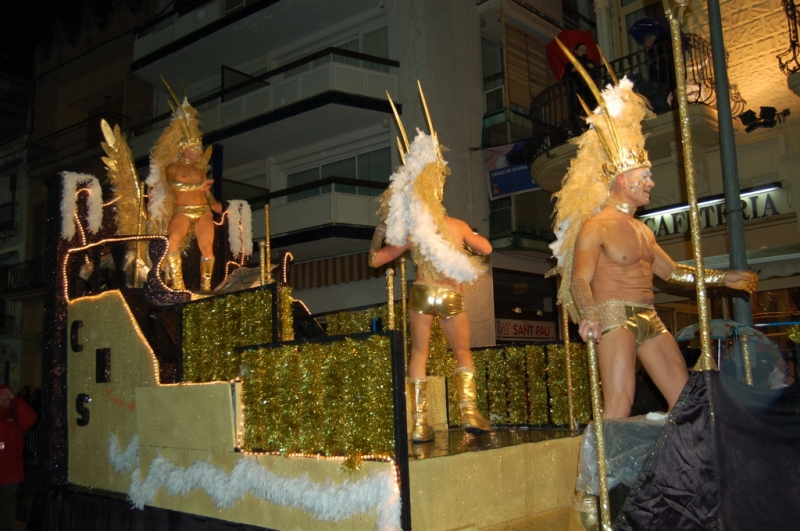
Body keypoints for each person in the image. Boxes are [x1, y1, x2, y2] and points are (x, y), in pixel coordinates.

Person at [548, 42, 758, 419]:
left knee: (686, 403)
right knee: (619, 404)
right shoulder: (597, 226)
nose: (650, 183)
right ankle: (605, 477)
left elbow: (672, 271)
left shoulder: (643, 231)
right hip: (614, 314)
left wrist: (724, 278)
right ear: (621, 180)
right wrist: (591, 314)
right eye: (644, 177)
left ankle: (682, 470)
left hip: (650, 315)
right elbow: (580, 278)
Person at [370, 84, 492, 443]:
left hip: (423, 293)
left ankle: (419, 423)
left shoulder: (413, 232)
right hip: (451, 295)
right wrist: (471, 244)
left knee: (419, 352)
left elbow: (377, 260)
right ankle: (469, 410)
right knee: (462, 352)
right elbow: (486, 248)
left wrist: (381, 231)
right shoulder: (456, 225)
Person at [147, 78, 222, 292]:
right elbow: (174, 185)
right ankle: (178, 283)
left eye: (200, 149)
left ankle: (205, 287)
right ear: (183, 148)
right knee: (172, 240)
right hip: (183, 209)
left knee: (207, 247)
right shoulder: (172, 167)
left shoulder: (200, 171)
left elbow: (206, 191)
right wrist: (198, 188)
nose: (199, 152)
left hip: (203, 211)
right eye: (195, 148)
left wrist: (213, 201)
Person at [0, 385, 37, 530]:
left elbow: (30, 419)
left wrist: (16, 400)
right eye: (1, 398)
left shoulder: (15, 417)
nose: (3, 402)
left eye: (6, 399)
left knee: (6, 513)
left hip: (9, 475)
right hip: (10, 473)